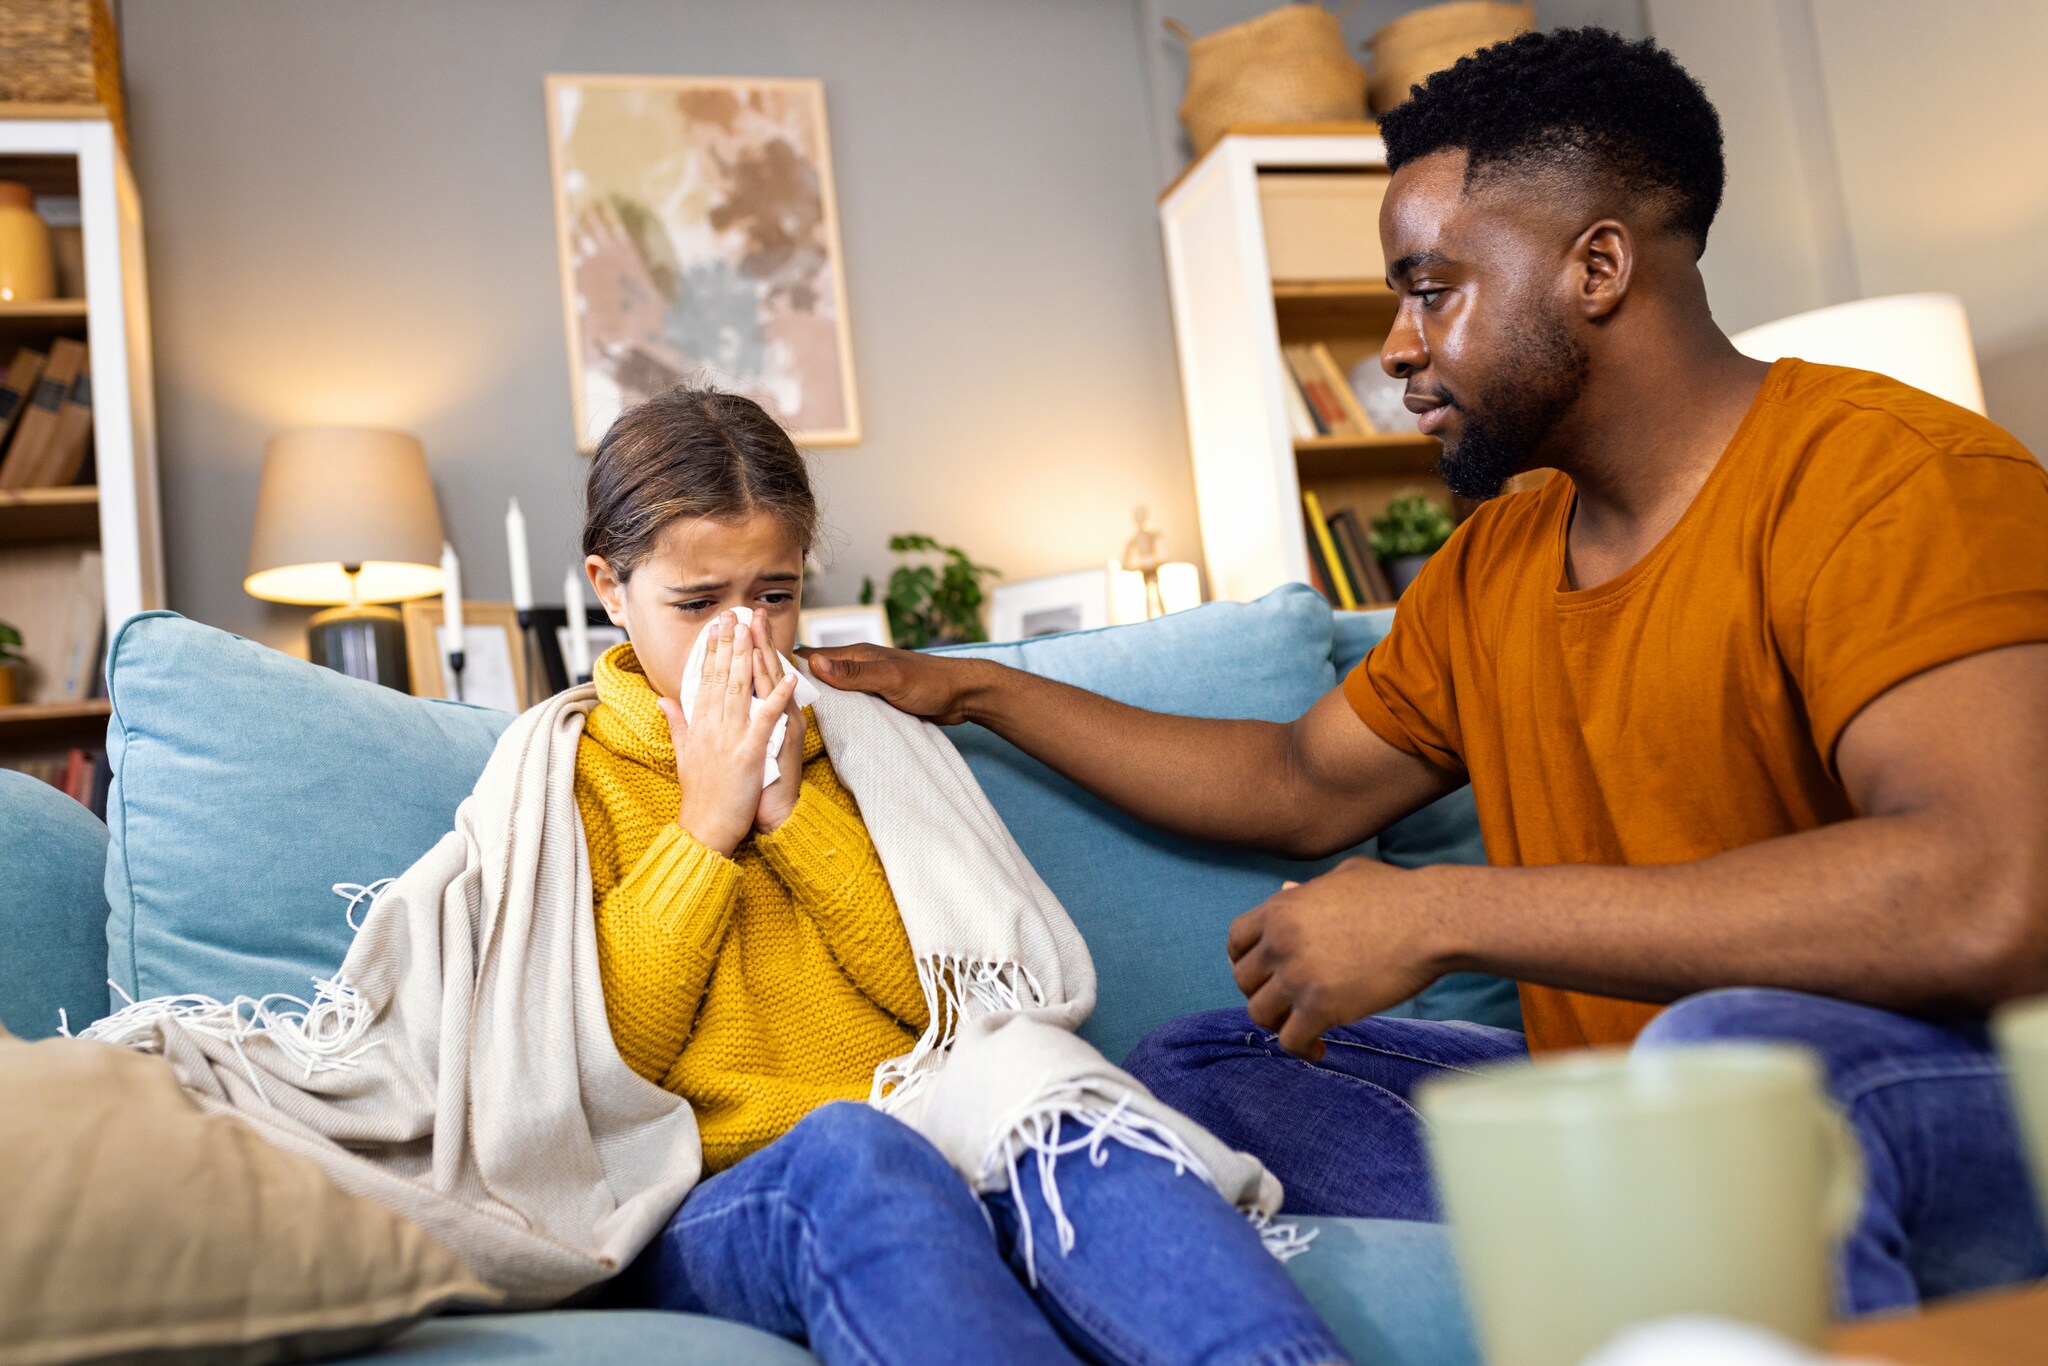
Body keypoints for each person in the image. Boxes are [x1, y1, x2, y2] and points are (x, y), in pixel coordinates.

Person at [803, 28, 2048, 1317]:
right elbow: (1296, 779)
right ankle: (1624, 1220)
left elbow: (1986, 890)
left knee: (1733, 1050)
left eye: (1429, 289)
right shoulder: (1497, 557)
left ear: (1597, 267)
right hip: (1639, 1111)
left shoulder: (1893, 480)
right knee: (1206, 1066)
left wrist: (1441, 914)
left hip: (1928, 1089)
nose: (1394, 347)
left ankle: (1661, 1229)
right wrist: (974, 690)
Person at [573, 386, 1349, 1366]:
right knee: (854, 1150)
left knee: (1057, 1101)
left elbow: (950, 997)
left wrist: (788, 813)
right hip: (713, 1190)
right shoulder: (573, 776)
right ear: (609, 585)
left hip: (935, 1118)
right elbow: (607, 1063)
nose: (744, 637)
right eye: (695, 603)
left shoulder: (855, 743)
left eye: (772, 595)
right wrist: (708, 824)